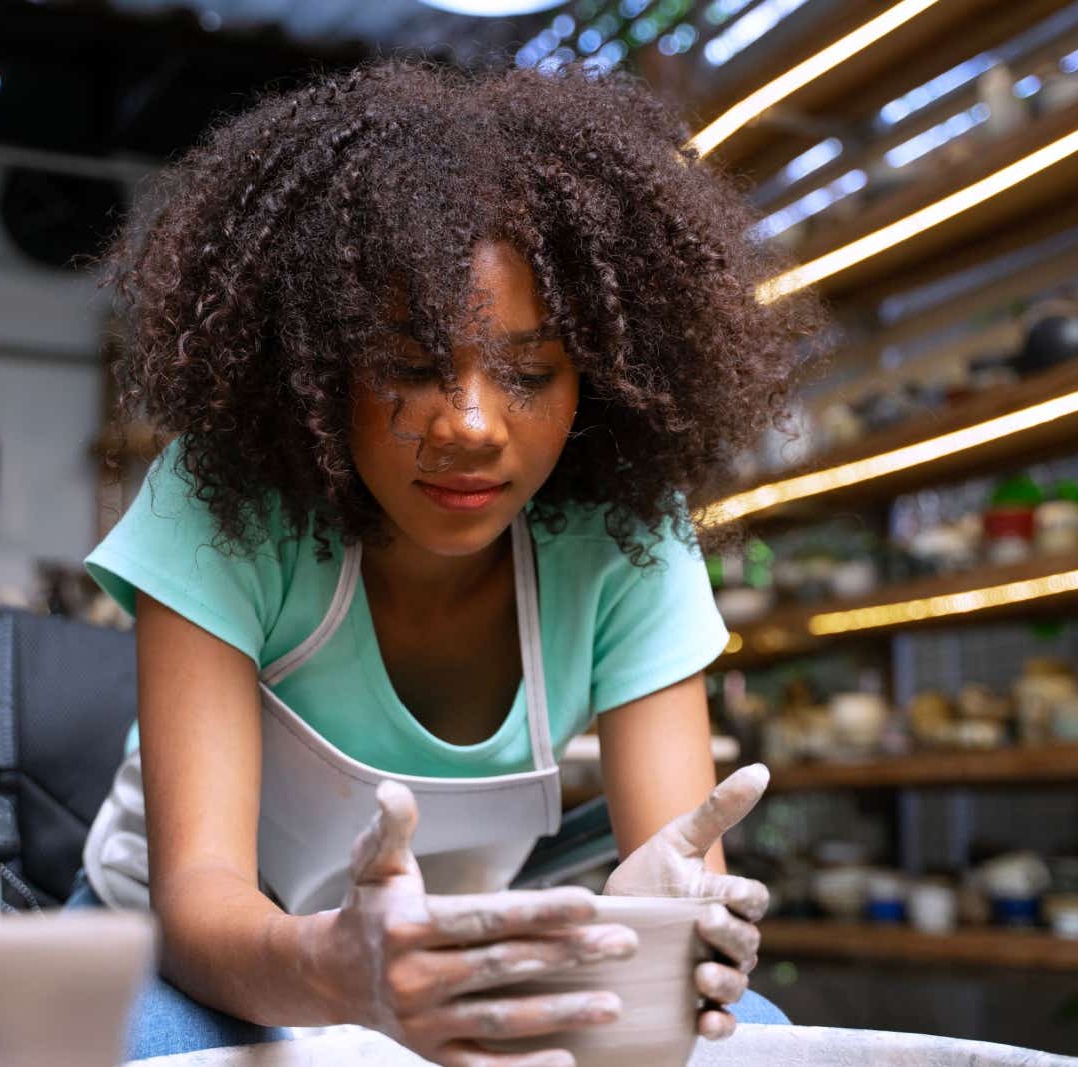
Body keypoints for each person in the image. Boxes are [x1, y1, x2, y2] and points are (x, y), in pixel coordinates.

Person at [66, 56, 819, 1064]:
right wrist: (337, 974)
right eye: (411, 367)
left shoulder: (626, 536)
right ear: (316, 364)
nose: (470, 424)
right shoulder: (226, 504)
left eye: (529, 371)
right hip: (195, 962)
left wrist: (660, 933)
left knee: (752, 1041)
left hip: (448, 968)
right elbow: (201, 902)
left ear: (596, 378)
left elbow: (667, 870)